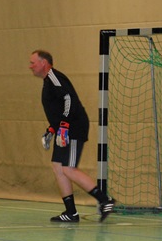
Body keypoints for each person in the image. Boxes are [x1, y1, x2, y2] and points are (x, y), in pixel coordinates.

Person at [29, 49, 115, 223]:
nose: (30, 66)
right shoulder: (48, 81)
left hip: (74, 127)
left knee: (69, 168)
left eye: (33, 62)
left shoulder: (54, 77)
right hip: (64, 128)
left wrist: (64, 125)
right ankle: (71, 212)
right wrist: (52, 129)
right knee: (58, 166)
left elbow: (68, 99)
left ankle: (105, 200)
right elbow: (58, 109)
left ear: (44, 63)